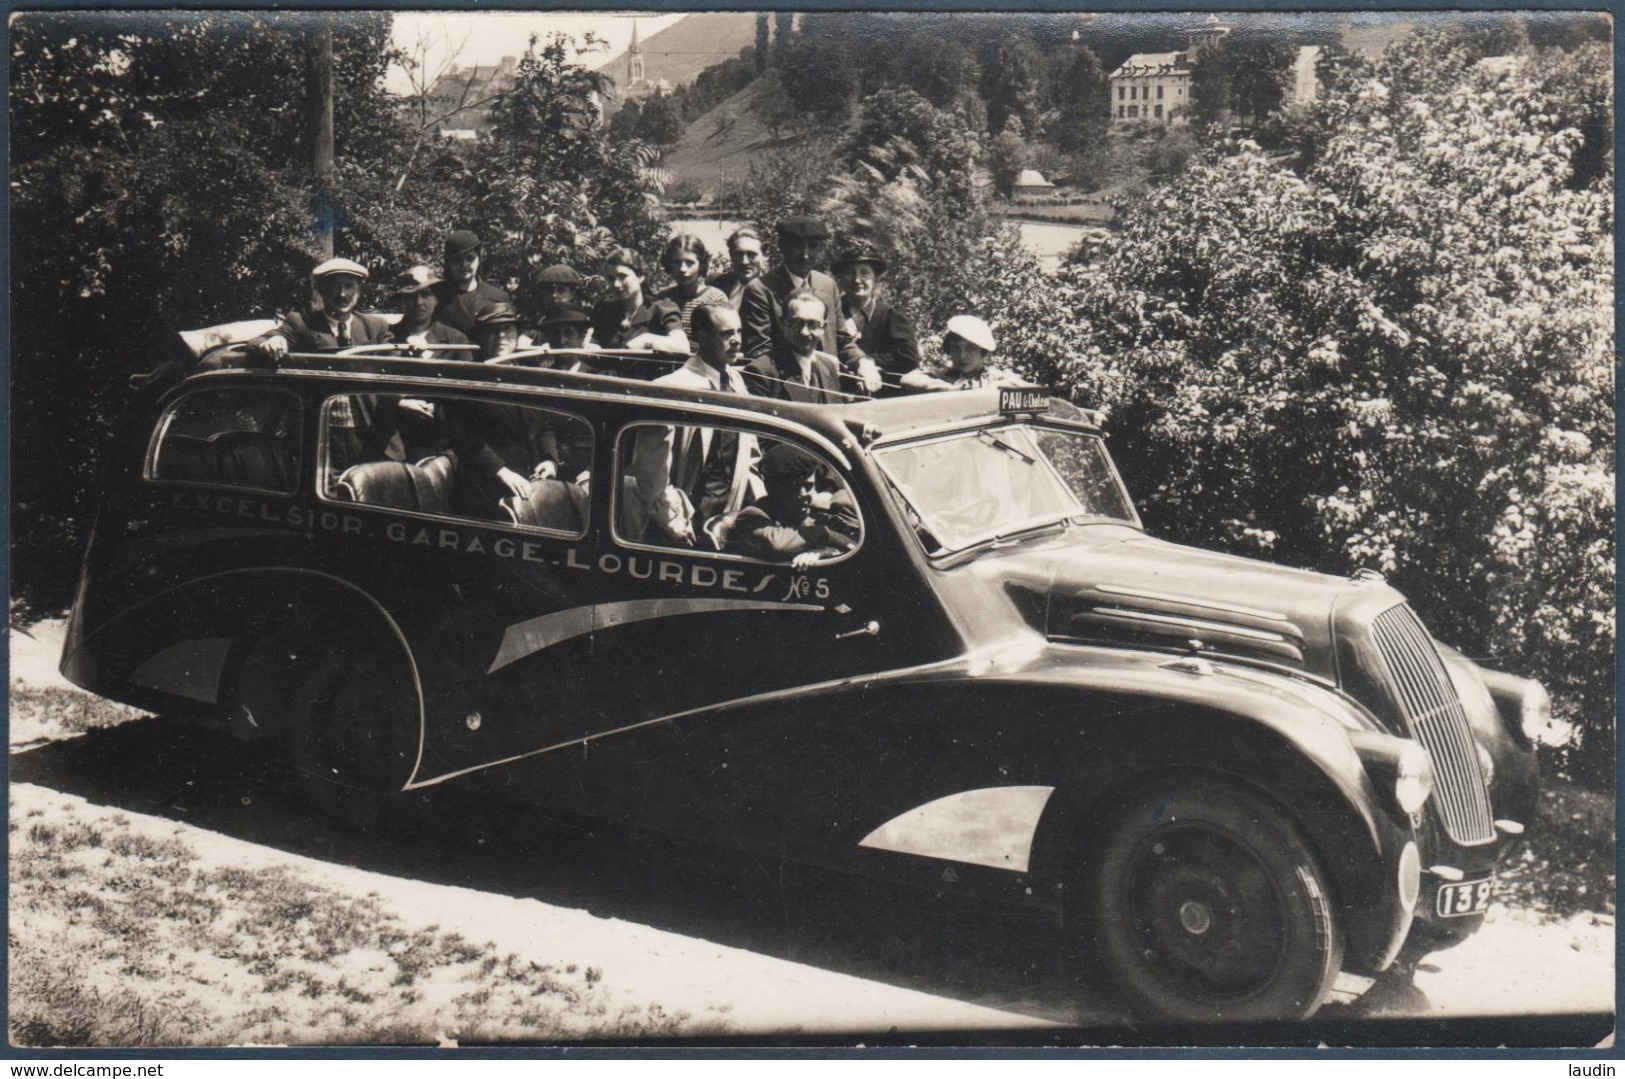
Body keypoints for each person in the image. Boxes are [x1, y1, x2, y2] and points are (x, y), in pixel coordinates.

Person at [623, 303, 753, 545]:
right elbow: (651, 466)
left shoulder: (737, 382)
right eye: (726, 334)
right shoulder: (673, 387)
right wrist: (670, 520)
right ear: (701, 337)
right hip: (684, 523)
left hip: (728, 517)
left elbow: (749, 452)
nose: (736, 340)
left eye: (739, 332)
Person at [740, 214, 881, 395]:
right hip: (786, 388)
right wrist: (813, 363)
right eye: (797, 246)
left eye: (813, 246)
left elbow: (842, 338)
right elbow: (758, 351)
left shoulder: (827, 285)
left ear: (821, 249)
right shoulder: (760, 289)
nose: (805, 254)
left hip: (828, 387)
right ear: (782, 247)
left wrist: (863, 361)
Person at [712, 442, 859, 567]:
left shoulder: (817, 513)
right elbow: (778, 544)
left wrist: (825, 552)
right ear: (774, 490)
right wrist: (826, 534)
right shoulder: (752, 516)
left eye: (808, 486)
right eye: (793, 488)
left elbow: (853, 543)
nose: (804, 495)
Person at [832, 242, 931, 394]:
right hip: (833, 392)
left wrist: (867, 361)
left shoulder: (889, 317)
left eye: (864, 273)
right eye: (850, 273)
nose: (857, 279)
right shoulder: (831, 312)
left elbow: (909, 356)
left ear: (875, 279)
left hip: (876, 395)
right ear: (841, 279)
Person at [251, 258, 391, 359]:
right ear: (321, 290)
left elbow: (396, 359)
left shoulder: (375, 326)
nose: (342, 294)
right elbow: (257, 342)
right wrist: (272, 342)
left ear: (359, 292)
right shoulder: (301, 323)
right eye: (334, 286)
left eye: (349, 286)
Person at [590, 247, 687, 380]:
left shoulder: (661, 308)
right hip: (609, 388)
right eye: (611, 278)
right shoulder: (604, 310)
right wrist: (592, 348)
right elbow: (594, 344)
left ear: (641, 276)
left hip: (648, 391)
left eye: (622, 277)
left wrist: (648, 341)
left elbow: (682, 346)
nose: (616, 284)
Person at [743, 291, 842, 404]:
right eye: (796, 323)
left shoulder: (830, 367)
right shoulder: (761, 373)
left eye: (813, 324)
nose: (804, 332)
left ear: (823, 327)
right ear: (783, 324)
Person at [432, 229, 511, 338]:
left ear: (479, 260)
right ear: (448, 262)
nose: (464, 264)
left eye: (470, 258)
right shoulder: (435, 296)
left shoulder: (499, 298)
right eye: (457, 259)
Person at [653, 233, 730, 335]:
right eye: (677, 262)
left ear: (701, 265)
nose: (683, 269)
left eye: (690, 262)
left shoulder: (716, 298)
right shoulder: (662, 297)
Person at [388, 265, 471, 358]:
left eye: (425, 294)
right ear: (402, 300)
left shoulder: (455, 340)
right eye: (411, 295)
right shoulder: (387, 336)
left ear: (436, 299)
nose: (419, 302)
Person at [926, 315, 1027, 390]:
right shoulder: (939, 378)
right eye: (956, 348)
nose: (962, 356)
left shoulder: (995, 378)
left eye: (971, 348)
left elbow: (1037, 392)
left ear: (984, 353)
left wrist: (1008, 386)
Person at [709, 225, 766, 307]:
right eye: (739, 254)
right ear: (731, 255)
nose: (744, 261)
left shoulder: (774, 289)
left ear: (763, 255)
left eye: (751, 254)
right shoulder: (717, 284)